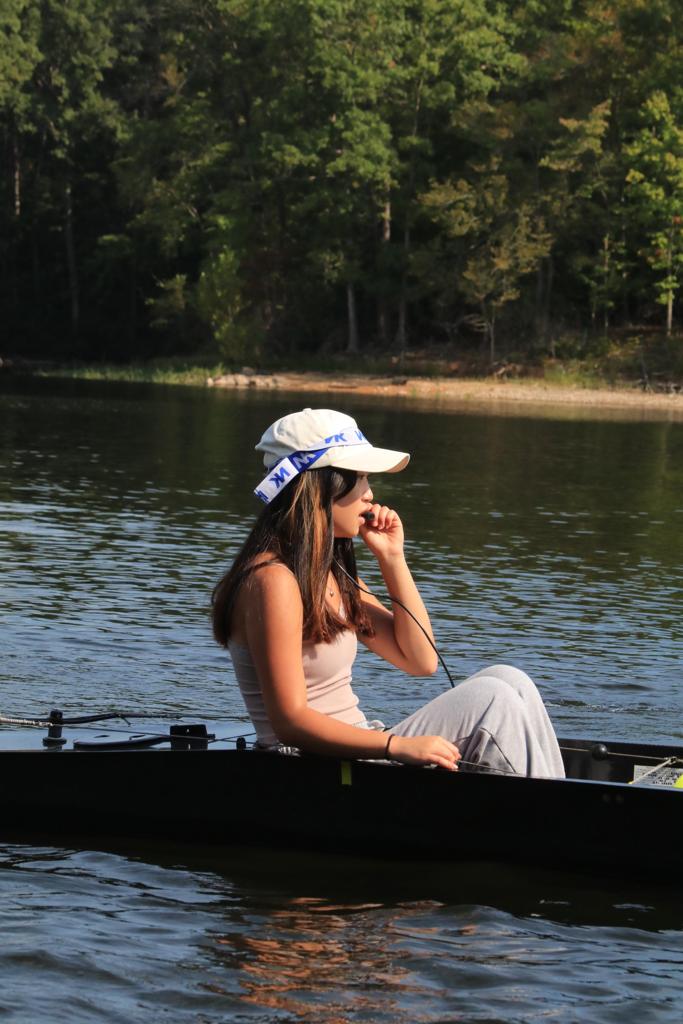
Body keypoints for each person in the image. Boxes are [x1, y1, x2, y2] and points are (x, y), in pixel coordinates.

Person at [212, 408, 565, 778]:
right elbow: (290, 722)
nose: (370, 494)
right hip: (312, 768)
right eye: (361, 478)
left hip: (361, 751)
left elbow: (421, 661)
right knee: (494, 700)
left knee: (511, 680)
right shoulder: (273, 581)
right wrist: (395, 746)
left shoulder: (330, 575)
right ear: (322, 485)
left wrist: (393, 559)